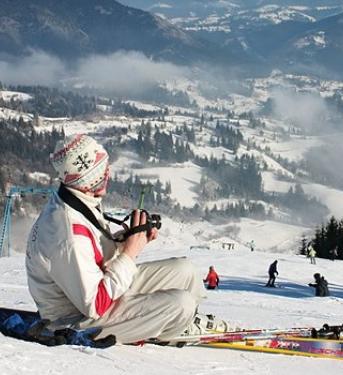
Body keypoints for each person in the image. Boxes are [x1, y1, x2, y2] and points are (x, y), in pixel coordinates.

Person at [25, 134, 231, 345]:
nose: (108, 173)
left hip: (92, 292)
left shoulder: (76, 198)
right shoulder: (68, 235)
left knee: (185, 269)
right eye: (103, 170)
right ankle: (175, 325)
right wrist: (130, 253)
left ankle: (183, 320)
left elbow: (92, 255)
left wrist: (125, 240)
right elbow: (96, 304)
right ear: (90, 179)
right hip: (76, 320)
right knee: (181, 303)